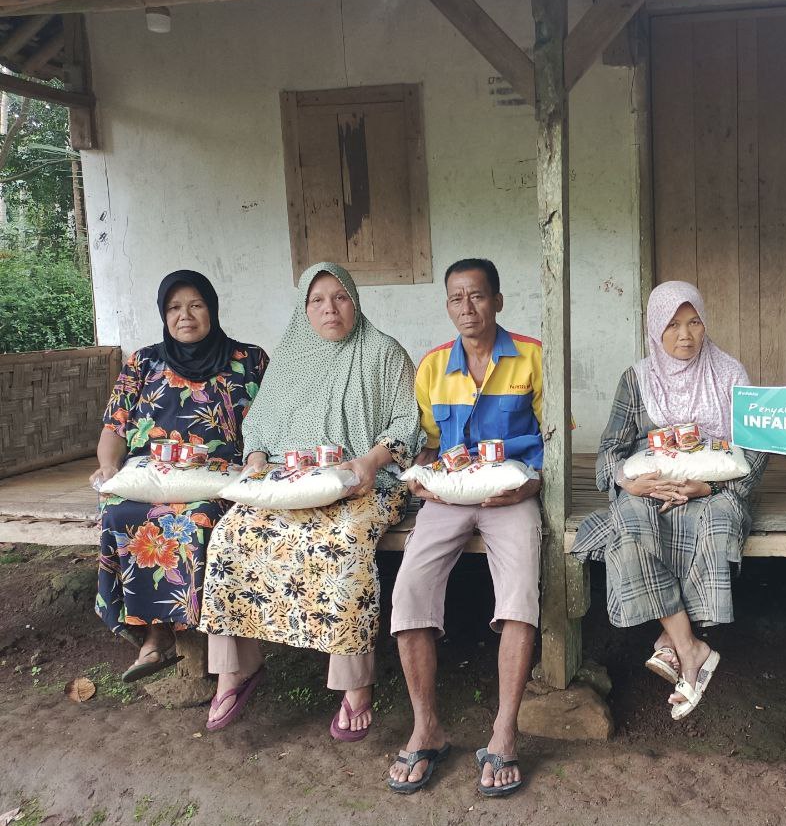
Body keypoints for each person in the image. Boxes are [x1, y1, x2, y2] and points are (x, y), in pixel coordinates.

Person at [199, 263, 420, 738]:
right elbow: (260, 425)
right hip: (290, 483)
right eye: (317, 300)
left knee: (343, 543)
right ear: (304, 309)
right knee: (231, 535)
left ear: (355, 301)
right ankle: (235, 669)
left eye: (340, 297)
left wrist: (371, 461)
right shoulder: (290, 357)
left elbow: (407, 422)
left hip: (365, 484)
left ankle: (354, 683)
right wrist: (256, 459)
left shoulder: (384, 352)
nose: (329, 309)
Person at [572, 281, 768, 719]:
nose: (685, 335)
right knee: (629, 523)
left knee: (716, 521)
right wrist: (628, 483)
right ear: (654, 329)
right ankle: (689, 646)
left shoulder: (730, 374)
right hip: (652, 489)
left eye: (694, 322)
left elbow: (755, 450)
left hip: (712, 490)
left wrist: (711, 487)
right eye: (672, 325)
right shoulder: (637, 379)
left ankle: (672, 642)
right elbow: (610, 450)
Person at [387, 258, 544, 797]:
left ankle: (504, 731)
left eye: (476, 295)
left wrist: (531, 486)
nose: (466, 307)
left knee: (520, 592)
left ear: (497, 300)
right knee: (409, 589)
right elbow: (426, 444)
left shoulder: (533, 356)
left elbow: (554, 437)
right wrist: (421, 480)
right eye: (456, 298)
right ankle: (426, 728)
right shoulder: (433, 366)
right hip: (449, 498)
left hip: (510, 494)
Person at [93, 270, 268, 682]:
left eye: (195, 305)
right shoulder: (143, 362)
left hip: (219, 476)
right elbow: (114, 428)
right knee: (119, 512)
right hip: (151, 474)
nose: (184, 315)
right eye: (174, 307)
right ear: (163, 314)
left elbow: (275, 421)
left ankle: (187, 635)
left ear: (212, 309)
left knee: (198, 516)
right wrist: (109, 466)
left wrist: (259, 461)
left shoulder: (249, 360)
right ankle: (155, 636)